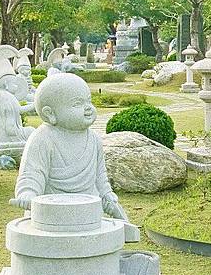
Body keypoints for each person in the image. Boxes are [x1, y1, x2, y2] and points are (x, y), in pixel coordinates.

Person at [9, 72, 129, 222]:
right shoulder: (42, 138)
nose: (88, 108)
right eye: (77, 104)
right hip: (51, 212)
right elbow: (32, 173)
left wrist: (106, 193)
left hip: (88, 209)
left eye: (89, 101)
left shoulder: (94, 139)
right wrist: (28, 193)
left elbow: (100, 175)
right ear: (50, 114)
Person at [0, 45, 36, 145]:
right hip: (2, 136)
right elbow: (18, 112)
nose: (16, 86)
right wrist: (34, 105)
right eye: (14, 83)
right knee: (31, 131)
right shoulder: (4, 96)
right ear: (5, 84)